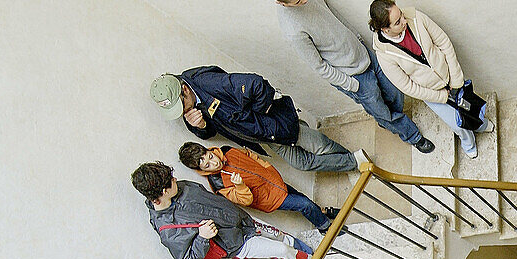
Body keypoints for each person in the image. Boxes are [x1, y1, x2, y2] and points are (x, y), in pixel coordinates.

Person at [264, 0, 434, 155]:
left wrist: (357, 37)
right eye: (297, 2)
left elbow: (330, 12)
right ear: (280, 3)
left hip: (363, 53)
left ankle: (390, 120)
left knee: (394, 92)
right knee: (382, 112)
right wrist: (352, 84)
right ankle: (412, 136)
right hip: (353, 77)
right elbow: (319, 67)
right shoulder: (293, 30)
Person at [130, 161, 343, 259]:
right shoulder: (168, 229)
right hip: (237, 244)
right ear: (161, 194)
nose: (176, 179)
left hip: (245, 221)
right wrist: (203, 237)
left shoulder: (182, 187)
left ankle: (310, 258)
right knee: (282, 250)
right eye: (170, 181)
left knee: (283, 238)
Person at [149, 69, 363, 173]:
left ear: (184, 89)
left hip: (276, 124)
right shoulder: (190, 107)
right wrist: (201, 128)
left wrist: (262, 115)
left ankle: (357, 162)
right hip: (264, 136)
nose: (183, 112)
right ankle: (355, 162)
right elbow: (211, 132)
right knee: (303, 164)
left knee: (321, 147)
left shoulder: (208, 82)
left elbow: (256, 84)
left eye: (181, 105)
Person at [369, 0, 493, 159]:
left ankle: (481, 124)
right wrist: (441, 96)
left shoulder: (415, 17)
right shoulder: (384, 55)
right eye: (398, 21)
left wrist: (455, 80)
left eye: (401, 14)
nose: (405, 20)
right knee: (457, 124)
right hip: (431, 92)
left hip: (449, 75)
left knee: (469, 105)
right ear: (385, 29)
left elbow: (444, 42)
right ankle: (468, 142)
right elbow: (407, 86)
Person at [178, 142, 339, 232]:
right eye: (208, 165)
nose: (214, 163)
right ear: (202, 170)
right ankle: (325, 227)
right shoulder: (219, 185)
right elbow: (246, 201)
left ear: (209, 151)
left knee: (302, 198)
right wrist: (240, 186)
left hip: (275, 180)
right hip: (269, 199)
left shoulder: (226, 150)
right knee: (304, 205)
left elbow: (249, 155)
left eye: (210, 157)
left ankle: (322, 212)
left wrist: (267, 168)